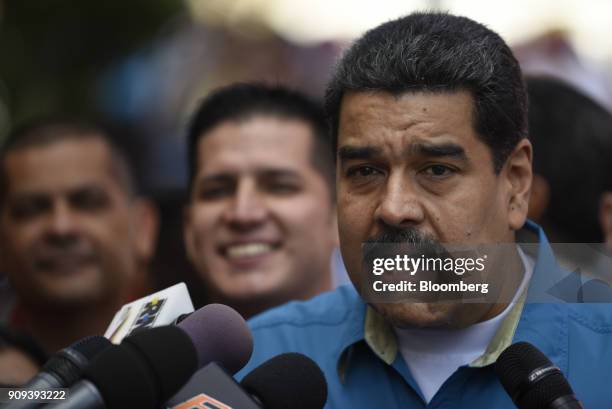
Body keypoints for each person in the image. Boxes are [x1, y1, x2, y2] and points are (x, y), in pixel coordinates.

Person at [237, 12, 612, 407]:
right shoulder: (262, 359)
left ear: (516, 184)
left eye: (436, 170)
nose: (394, 208)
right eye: (365, 171)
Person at [0, 119, 158, 353]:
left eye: (87, 203)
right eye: (32, 209)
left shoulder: (200, 361)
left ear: (143, 228)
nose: (61, 227)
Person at [184, 83, 339, 319]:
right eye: (216, 191)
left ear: (339, 217)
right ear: (189, 228)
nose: (243, 214)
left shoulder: (404, 352)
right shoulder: (133, 354)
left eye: (279, 187)